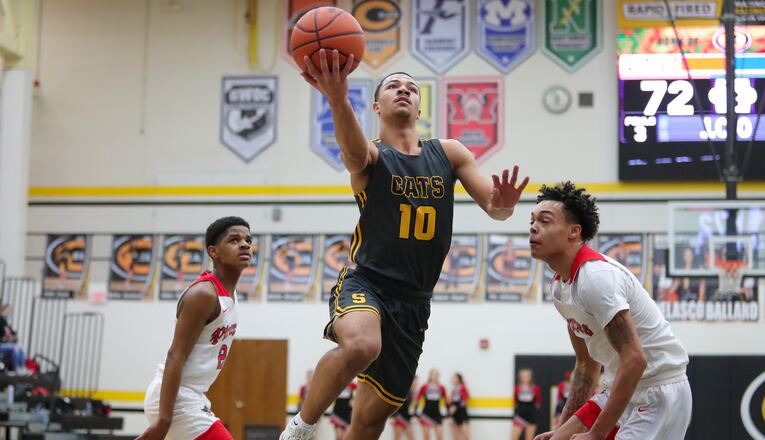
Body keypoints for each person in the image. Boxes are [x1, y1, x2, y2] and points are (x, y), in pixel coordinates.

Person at [280, 50, 529, 440]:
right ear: (377, 105)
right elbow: (353, 153)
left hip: (415, 302)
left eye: (411, 88)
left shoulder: (449, 153)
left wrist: (505, 205)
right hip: (368, 282)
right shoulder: (374, 156)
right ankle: (300, 427)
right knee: (361, 346)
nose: (404, 90)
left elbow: (495, 210)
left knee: (370, 420)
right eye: (394, 85)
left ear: (418, 106)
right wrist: (337, 98)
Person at [529, 182, 691, 440]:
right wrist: (561, 431)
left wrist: (596, 434)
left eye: (545, 221)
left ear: (574, 231)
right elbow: (585, 366)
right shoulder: (560, 288)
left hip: (656, 387)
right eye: (532, 221)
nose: (534, 227)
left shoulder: (597, 278)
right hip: (619, 388)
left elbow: (635, 359)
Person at [138, 217, 252, 440]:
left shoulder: (230, 293)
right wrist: (164, 419)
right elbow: (175, 356)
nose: (245, 244)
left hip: (194, 396)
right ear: (213, 252)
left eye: (248, 239)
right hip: (175, 397)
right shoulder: (203, 295)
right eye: (234, 240)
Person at [417, 369, 447, 440]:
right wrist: (416, 414)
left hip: (437, 414)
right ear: (430, 375)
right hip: (426, 414)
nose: (434, 376)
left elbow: (445, 401)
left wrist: (447, 414)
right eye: (433, 374)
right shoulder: (424, 387)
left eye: (436, 374)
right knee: (427, 437)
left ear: (438, 376)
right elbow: (418, 400)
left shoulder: (441, 388)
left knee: (440, 437)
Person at [512, 368, 541, 440]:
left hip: (531, 417)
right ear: (520, 377)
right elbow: (514, 403)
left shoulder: (535, 389)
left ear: (530, 377)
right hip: (520, 416)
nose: (525, 377)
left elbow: (538, 404)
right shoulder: (517, 388)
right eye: (523, 376)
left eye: (527, 376)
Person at [0, 305, 25, 371]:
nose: (7, 313)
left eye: (9, 312)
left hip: (6, 344)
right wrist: (6, 338)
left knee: (21, 349)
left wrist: (14, 337)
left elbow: (13, 335)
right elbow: (4, 337)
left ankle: (21, 368)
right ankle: (16, 368)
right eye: (6, 311)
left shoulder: (5, 322)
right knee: (14, 349)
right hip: (1, 344)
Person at [448, 373, 470, 440]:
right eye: (453, 377)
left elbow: (465, 400)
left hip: (462, 413)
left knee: (466, 437)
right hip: (455, 414)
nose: (453, 379)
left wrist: (456, 407)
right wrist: (450, 416)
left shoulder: (463, 387)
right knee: (455, 437)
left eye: (455, 377)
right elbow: (451, 403)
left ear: (459, 379)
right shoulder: (453, 389)